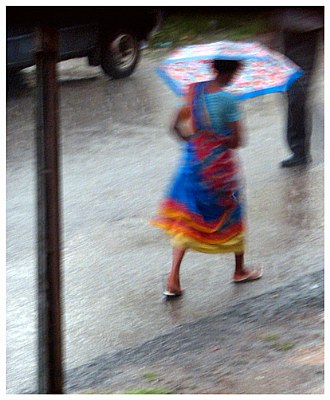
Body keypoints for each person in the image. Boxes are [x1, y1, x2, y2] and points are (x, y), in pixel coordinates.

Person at [151, 59, 262, 298]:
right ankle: (239, 270)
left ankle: (173, 278)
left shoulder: (194, 92)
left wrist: (193, 143)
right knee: (233, 212)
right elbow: (237, 141)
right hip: (219, 171)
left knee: (187, 219)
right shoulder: (229, 100)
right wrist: (218, 140)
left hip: (192, 166)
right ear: (234, 72)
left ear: (213, 68)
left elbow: (174, 126)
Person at [272, 7, 324, 168]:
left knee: (298, 91)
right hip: (288, 27)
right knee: (290, 91)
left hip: (307, 28)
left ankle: (300, 152)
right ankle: (299, 151)